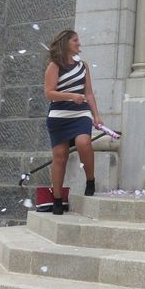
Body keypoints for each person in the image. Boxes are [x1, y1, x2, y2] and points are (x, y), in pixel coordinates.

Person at [44, 30, 102, 214]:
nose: (79, 44)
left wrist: (96, 115)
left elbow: (89, 93)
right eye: (75, 40)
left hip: (81, 112)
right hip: (59, 114)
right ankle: (58, 199)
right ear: (65, 43)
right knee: (60, 156)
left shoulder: (83, 66)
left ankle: (90, 180)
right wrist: (71, 96)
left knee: (83, 142)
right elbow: (49, 93)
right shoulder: (54, 66)